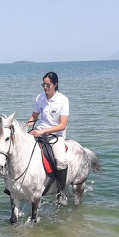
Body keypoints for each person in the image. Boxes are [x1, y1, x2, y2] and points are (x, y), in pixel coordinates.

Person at [27, 71, 70, 205]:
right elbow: (34, 117)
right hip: (39, 131)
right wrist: (24, 127)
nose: (45, 88)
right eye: (43, 85)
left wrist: (43, 131)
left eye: (48, 85)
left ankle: (61, 192)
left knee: (61, 161)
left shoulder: (63, 100)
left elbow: (62, 125)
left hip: (56, 135)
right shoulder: (40, 98)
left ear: (55, 84)